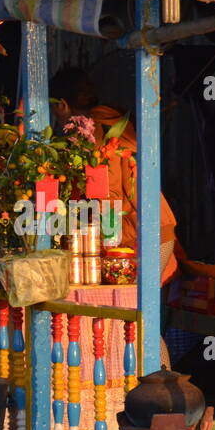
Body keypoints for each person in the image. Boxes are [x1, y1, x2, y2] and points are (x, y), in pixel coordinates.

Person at [49, 67, 184, 286]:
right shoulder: (109, 127)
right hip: (148, 239)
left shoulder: (101, 137)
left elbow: (108, 200)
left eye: (54, 110)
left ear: (62, 105)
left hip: (140, 248)